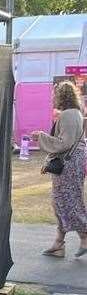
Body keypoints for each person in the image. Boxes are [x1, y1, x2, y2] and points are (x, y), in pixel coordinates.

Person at [33, 81, 87, 258]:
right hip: (72, 163)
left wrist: (40, 136)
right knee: (63, 201)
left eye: (55, 93)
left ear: (61, 95)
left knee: (67, 201)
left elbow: (65, 143)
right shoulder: (74, 113)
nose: (52, 97)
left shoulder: (69, 115)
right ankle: (59, 244)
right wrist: (48, 162)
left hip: (69, 165)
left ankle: (84, 236)